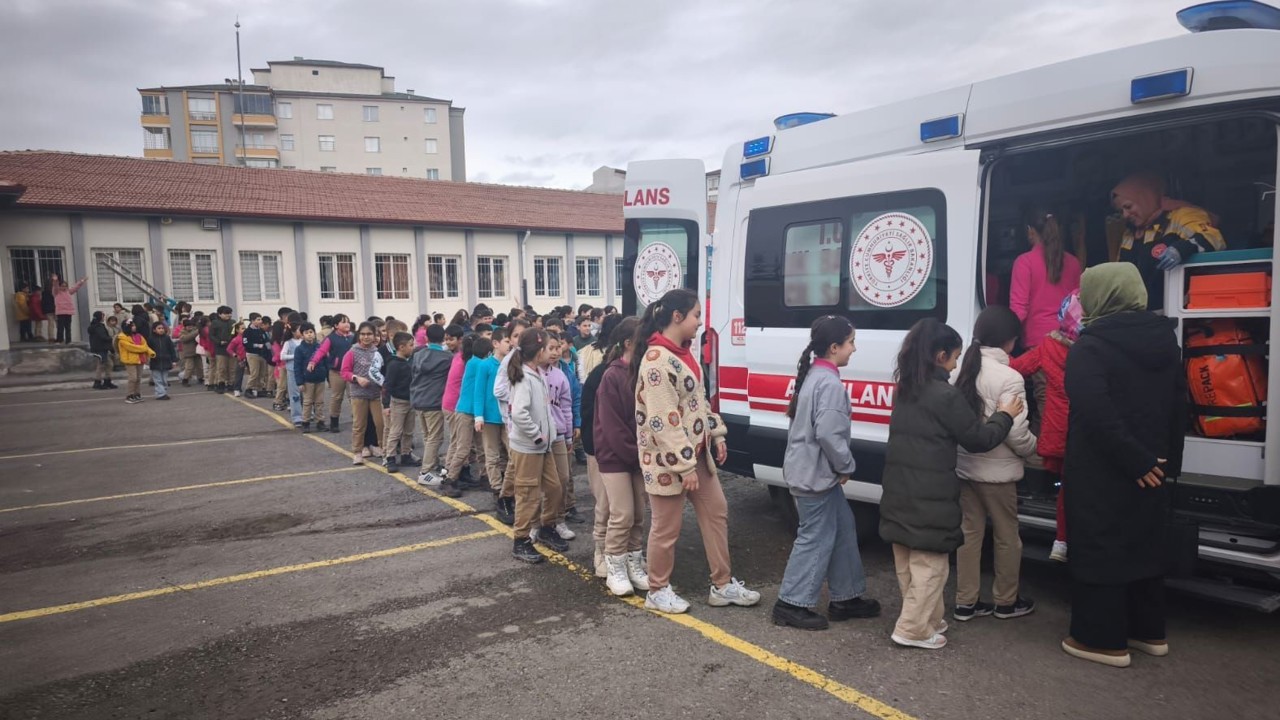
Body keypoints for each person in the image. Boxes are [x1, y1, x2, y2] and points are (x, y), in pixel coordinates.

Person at [1061, 263, 1186, 668]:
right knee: (1144, 545)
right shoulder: (1166, 343)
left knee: (1101, 546)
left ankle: (1101, 640)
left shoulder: (1090, 347)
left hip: (1103, 468)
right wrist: (1163, 465)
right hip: (1154, 465)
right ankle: (1149, 632)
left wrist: (1133, 459)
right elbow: (1178, 408)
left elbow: (1095, 411)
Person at [879, 318, 1022, 650]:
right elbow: (977, 438)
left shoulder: (907, 388)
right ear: (940, 355)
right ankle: (912, 629)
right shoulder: (945, 395)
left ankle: (928, 619)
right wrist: (1005, 414)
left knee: (908, 562)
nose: (958, 364)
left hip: (899, 488)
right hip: (930, 495)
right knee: (932, 565)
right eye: (955, 357)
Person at [633, 288, 760, 614]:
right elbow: (663, 421)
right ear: (677, 317)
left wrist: (716, 433)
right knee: (666, 528)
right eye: (696, 316)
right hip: (667, 462)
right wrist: (685, 467)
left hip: (695, 455)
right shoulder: (657, 361)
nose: (700, 323)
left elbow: (698, 402)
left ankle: (722, 584)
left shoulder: (682, 353)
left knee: (716, 512)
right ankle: (657, 589)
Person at [772, 315, 882, 630]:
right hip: (816, 476)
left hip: (810, 473)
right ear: (834, 347)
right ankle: (790, 603)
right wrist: (845, 466)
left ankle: (846, 597)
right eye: (851, 342)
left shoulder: (814, 376)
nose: (854, 349)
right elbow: (830, 435)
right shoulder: (829, 383)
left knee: (844, 529)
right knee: (815, 537)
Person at [953, 307, 1039, 622]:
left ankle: (966, 602)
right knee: (1006, 536)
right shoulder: (1010, 377)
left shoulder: (961, 368)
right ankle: (1005, 601)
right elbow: (1016, 431)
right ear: (1011, 341)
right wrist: (1034, 449)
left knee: (969, 533)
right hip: (999, 474)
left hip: (965, 467)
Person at [1011, 291, 1083, 562]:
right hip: (1088, 432)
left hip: (1058, 432)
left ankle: (1061, 542)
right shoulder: (1098, 349)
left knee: (1065, 488)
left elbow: (1018, 367)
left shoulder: (1048, 347)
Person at [586, 316, 651, 591]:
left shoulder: (642, 373)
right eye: (643, 340)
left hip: (637, 457)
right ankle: (615, 567)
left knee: (638, 513)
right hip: (616, 459)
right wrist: (636, 453)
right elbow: (611, 427)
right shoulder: (611, 376)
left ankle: (634, 563)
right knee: (621, 513)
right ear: (628, 344)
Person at [1111, 171, 1225, 311]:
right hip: (1141, 313)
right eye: (1121, 211)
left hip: (1179, 310)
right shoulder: (1130, 233)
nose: (1125, 215)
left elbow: (1214, 238)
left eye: (1128, 207)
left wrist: (1181, 249)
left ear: (1145, 198)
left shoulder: (1180, 215)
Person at [506, 328, 567, 563]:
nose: (551, 352)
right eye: (547, 348)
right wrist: (537, 435)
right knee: (528, 494)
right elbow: (519, 413)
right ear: (539, 351)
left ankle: (546, 527)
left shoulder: (537, 373)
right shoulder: (524, 377)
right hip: (529, 447)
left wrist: (547, 435)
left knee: (554, 487)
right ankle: (520, 540)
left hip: (543, 446)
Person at [1010, 207, 1081, 349]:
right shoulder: (1073, 262)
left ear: (1030, 230)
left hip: (1038, 343)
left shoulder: (1024, 262)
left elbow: (1019, 310)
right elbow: (1079, 303)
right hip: (1070, 341)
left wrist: (1005, 338)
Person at [410, 324, 459, 497]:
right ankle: (426, 471)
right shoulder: (447, 357)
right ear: (443, 338)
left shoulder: (417, 354)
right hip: (434, 400)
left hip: (418, 399)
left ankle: (432, 462)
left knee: (427, 435)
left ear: (427, 338)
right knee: (435, 437)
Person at [470, 328, 511, 512]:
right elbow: (478, 392)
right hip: (490, 418)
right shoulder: (485, 365)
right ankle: (496, 488)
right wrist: (479, 416)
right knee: (492, 455)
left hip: (508, 416)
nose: (510, 345)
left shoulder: (512, 364)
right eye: (507, 341)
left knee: (514, 453)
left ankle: (510, 487)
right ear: (495, 344)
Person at [542, 332, 578, 543]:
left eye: (557, 348)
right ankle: (542, 522)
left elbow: (566, 407)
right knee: (544, 484)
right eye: (550, 348)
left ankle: (559, 519)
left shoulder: (561, 376)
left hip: (558, 435)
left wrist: (568, 435)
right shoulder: (531, 373)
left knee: (563, 478)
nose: (555, 352)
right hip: (538, 437)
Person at [341, 322, 386, 465]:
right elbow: (344, 372)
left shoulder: (378, 353)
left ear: (374, 336)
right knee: (359, 424)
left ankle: (383, 449)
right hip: (358, 394)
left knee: (381, 424)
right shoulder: (352, 352)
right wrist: (356, 378)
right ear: (359, 336)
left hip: (376, 394)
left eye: (369, 334)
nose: (366, 337)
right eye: (363, 334)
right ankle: (357, 451)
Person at [382, 332, 418, 472]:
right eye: (410, 345)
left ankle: (405, 454)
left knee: (408, 431)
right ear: (401, 347)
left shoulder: (409, 362)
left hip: (411, 401)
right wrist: (386, 405)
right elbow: (387, 386)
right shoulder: (394, 365)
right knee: (395, 431)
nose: (413, 348)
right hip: (398, 402)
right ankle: (390, 457)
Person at [293, 323, 329, 433]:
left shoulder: (320, 347)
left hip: (320, 379)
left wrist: (328, 377)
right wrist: (300, 382)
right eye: (306, 333)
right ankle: (305, 422)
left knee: (320, 402)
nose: (309, 335)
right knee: (307, 402)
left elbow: (326, 363)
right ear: (302, 335)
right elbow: (297, 367)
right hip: (307, 380)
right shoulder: (299, 349)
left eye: (311, 332)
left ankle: (320, 422)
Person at [116, 319, 155, 404]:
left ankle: (137, 393)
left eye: (134, 325)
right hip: (130, 360)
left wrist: (151, 353)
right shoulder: (122, 337)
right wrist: (143, 349)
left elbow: (145, 345)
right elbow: (131, 347)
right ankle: (129, 395)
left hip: (140, 359)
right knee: (132, 378)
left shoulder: (139, 336)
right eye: (132, 325)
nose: (134, 327)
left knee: (138, 378)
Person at [279, 315, 305, 427]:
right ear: (294, 332)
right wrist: (295, 356)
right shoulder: (288, 343)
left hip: (304, 370)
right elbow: (282, 356)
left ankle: (309, 413)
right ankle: (297, 417)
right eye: (300, 330)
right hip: (292, 370)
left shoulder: (304, 341)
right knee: (295, 394)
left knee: (307, 393)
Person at [243, 316, 273, 399]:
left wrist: (270, 348)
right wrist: (257, 345)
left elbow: (266, 340)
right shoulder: (247, 331)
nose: (260, 321)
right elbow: (246, 343)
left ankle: (259, 389)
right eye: (258, 320)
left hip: (262, 354)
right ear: (252, 321)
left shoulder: (261, 331)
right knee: (254, 373)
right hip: (252, 354)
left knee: (262, 373)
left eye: (260, 320)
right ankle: (248, 389)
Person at [51, 277, 87, 345]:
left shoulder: (69, 291)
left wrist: (81, 281)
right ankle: (59, 340)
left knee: (68, 328)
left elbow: (76, 287)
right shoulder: (57, 292)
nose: (64, 287)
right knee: (60, 327)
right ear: (60, 286)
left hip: (68, 312)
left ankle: (68, 341)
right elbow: (55, 287)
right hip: (60, 312)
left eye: (65, 286)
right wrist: (55, 280)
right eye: (62, 286)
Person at [147, 321, 177, 400]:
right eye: (159, 328)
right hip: (155, 362)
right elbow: (147, 350)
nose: (161, 330)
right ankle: (160, 394)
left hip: (166, 361)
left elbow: (172, 350)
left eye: (162, 328)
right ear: (154, 330)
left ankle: (164, 392)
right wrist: (148, 359)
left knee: (164, 379)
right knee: (158, 379)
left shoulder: (167, 338)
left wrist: (174, 360)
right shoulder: (150, 339)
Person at [87, 311, 116, 390]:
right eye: (102, 316)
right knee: (101, 365)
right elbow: (103, 337)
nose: (103, 318)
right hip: (100, 349)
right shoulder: (98, 327)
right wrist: (113, 338)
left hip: (101, 348)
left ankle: (107, 381)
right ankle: (98, 382)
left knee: (109, 364)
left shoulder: (97, 326)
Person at [209, 306, 235, 393]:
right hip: (220, 349)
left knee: (232, 367)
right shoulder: (215, 323)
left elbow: (235, 334)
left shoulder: (233, 322)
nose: (228, 315)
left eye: (230, 313)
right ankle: (221, 384)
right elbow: (211, 335)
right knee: (221, 368)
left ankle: (231, 384)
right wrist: (219, 342)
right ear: (220, 314)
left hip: (232, 348)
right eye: (226, 313)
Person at [178, 319, 203, 387]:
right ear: (185, 327)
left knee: (200, 366)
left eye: (191, 326)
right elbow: (185, 339)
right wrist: (195, 333)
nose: (190, 328)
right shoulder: (182, 332)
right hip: (188, 353)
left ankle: (200, 378)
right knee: (189, 367)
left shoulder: (195, 330)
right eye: (189, 326)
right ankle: (185, 379)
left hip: (197, 351)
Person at [40, 273, 58, 342]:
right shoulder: (55, 291)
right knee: (57, 323)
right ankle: (59, 337)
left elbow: (43, 302)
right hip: (55, 308)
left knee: (51, 324)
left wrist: (43, 310)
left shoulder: (44, 292)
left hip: (48, 310)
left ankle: (51, 337)